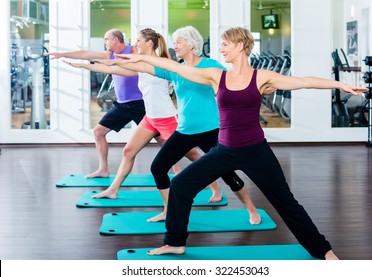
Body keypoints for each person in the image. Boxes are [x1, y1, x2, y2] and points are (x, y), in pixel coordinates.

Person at [122, 27, 368, 259]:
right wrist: (143, 61)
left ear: (240, 46)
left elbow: (304, 81)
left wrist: (339, 84)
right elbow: (172, 67)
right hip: (225, 151)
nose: (222, 49)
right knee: (181, 186)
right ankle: (175, 243)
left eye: (225, 45)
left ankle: (323, 250)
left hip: (256, 152)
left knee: (285, 202)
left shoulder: (262, 78)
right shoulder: (216, 76)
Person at [103, 26, 261, 224]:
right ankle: (168, 210)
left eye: (179, 42)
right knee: (158, 167)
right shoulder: (176, 68)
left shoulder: (211, 66)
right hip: (185, 130)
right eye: (174, 42)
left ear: (192, 44)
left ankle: (252, 209)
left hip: (211, 131)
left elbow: (236, 82)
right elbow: (144, 67)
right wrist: (107, 62)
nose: (174, 46)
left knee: (227, 174)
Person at [63, 28, 223, 220]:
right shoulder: (140, 64)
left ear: (149, 43)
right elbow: (112, 68)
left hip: (166, 119)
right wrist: (83, 66)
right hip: (150, 118)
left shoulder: (165, 65)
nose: (135, 43)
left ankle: (216, 188)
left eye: (139, 40)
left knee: (192, 155)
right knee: (128, 151)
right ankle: (113, 190)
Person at [46, 29, 145, 179]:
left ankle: (177, 168)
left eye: (107, 39)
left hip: (140, 104)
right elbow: (84, 53)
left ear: (117, 40)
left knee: (162, 138)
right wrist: (62, 55)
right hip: (123, 105)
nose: (104, 42)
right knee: (98, 132)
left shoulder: (133, 50)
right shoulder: (108, 54)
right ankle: (103, 169)